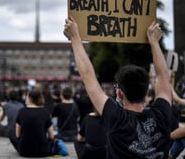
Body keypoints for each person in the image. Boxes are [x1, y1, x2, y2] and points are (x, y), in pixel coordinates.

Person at [64, 17, 172, 158]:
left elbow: (88, 77)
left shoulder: (116, 118)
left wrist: (75, 38)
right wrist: (154, 42)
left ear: (119, 94)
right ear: (147, 92)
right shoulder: (161, 114)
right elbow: (163, 75)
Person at [9, 90, 59, 157]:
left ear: (30, 99)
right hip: (42, 151)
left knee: (11, 132)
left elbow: (17, 135)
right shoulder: (46, 112)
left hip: (24, 151)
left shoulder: (22, 111)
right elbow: (51, 136)